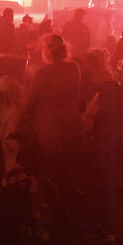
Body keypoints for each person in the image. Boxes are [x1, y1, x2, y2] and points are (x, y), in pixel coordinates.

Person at [23, 34, 83, 179]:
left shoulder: (43, 73)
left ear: (47, 51)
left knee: (51, 175)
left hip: (49, 132)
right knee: (69, 174)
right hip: (71, 128)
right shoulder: (74, 68)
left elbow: (28, 105)